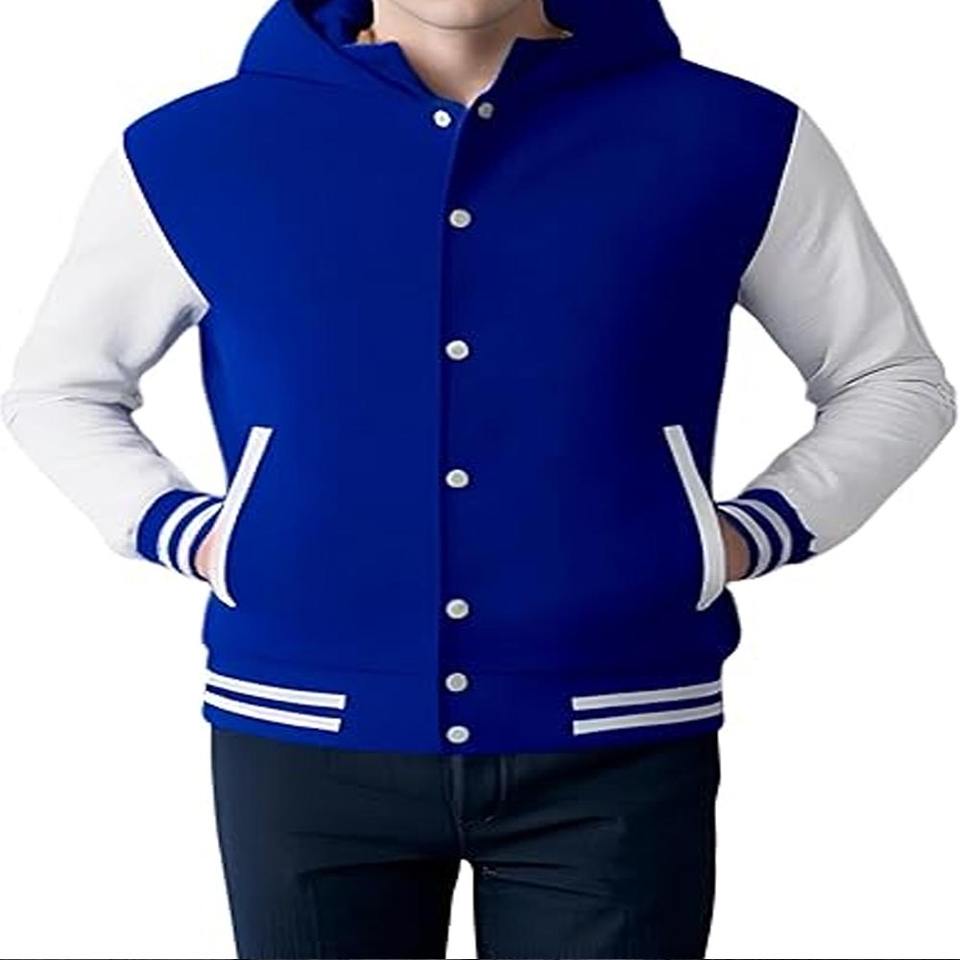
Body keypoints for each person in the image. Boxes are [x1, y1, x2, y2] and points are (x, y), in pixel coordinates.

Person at [2, 1, 955, 958]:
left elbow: (893, 377)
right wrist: (196, 534)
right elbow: (59, 389)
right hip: (303, 736)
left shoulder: (734, 135)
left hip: (617, 730)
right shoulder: (192, 149)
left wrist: (746, 534)